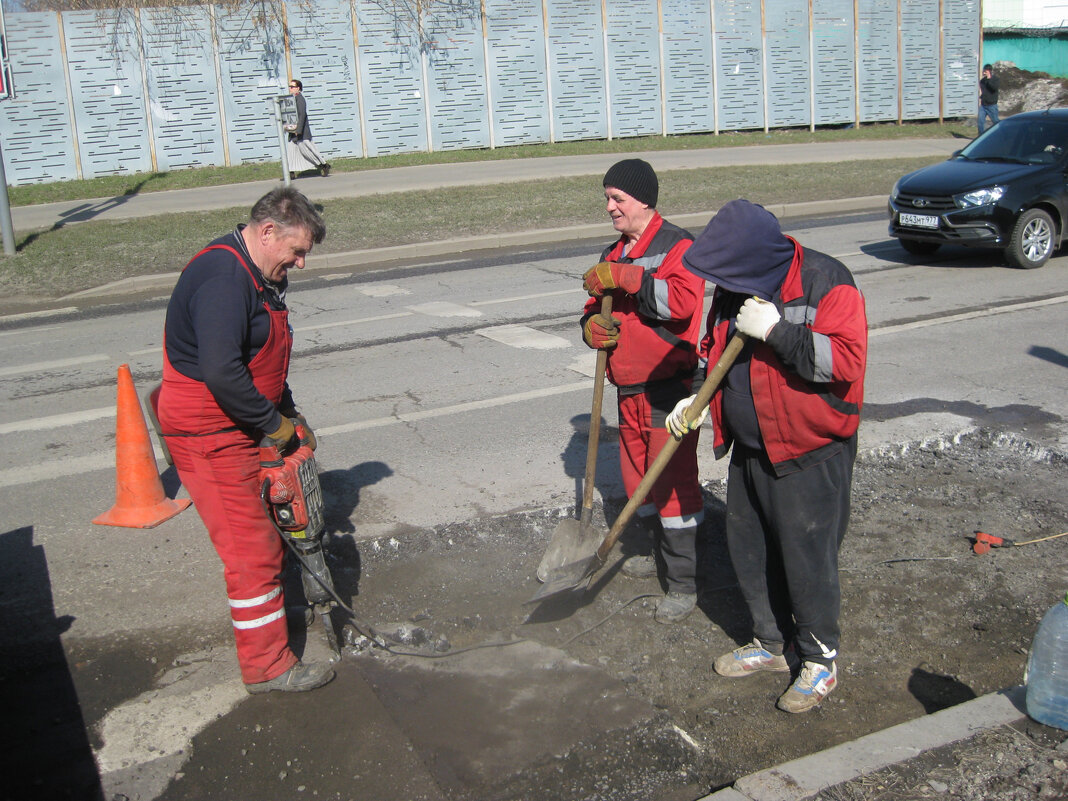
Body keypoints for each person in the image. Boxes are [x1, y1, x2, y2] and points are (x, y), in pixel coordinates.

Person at [667, 199, 867, 712]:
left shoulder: (827, 280)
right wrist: (697, 396)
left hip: (809, 450)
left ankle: (820, 661)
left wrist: (777, 331)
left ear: (755, 258)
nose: (721, 285)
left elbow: (844, 361)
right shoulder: (735, 287)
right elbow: (712, 350)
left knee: (807, 560)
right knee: (750, 552)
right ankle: (772, 644)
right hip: (750, 448)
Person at [156, 187, 333, 694]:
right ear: (267, 230)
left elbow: (262, 355)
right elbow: (222, 371)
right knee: (250, 550)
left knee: (263, 537)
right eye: (296, 252)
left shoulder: (260, 273)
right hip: (209, 430)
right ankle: (269, 667)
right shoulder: (223, 278)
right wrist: (274, 427)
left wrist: (290, 411)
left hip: (238, 419)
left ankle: (275, 633)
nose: (300, 264)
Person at [581, 158, 707, 624]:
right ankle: (653, 553)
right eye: (607, 198)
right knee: (638, 479)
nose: (609, 208)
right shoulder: (612, 252)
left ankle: (682, 584)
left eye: (618, 199)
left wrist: (628, 278)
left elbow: (681, 303)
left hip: (669, 388)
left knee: (672, 485)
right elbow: (594, 307)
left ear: (644, 200)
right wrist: (590, 327)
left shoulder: (679, 245)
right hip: (627, 386)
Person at [285, 79, 331, 178]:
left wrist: (298, 130)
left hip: (301, 131)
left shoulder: (300, 99)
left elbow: (302, 115)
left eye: (292, 87)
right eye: (290, 86)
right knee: (291, 150)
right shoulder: (292, 99)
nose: (290, 88)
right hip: (294, 130)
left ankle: (323, 165)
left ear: (298, 88)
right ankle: (290, 172)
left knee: (308, 149)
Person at [978, 64, 1000, 135]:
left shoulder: (995, 79)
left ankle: (1002, 133)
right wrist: (980, 100)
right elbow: (983, 92)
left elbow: (994, 89)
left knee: (996, 122)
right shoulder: (982, 81)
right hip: (983, 105)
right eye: (983, 71)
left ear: (989, 71)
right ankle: (980, 136)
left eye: (986, 71)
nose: (984, 72)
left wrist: (989, 79)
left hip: (992, 105)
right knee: (980, 122)